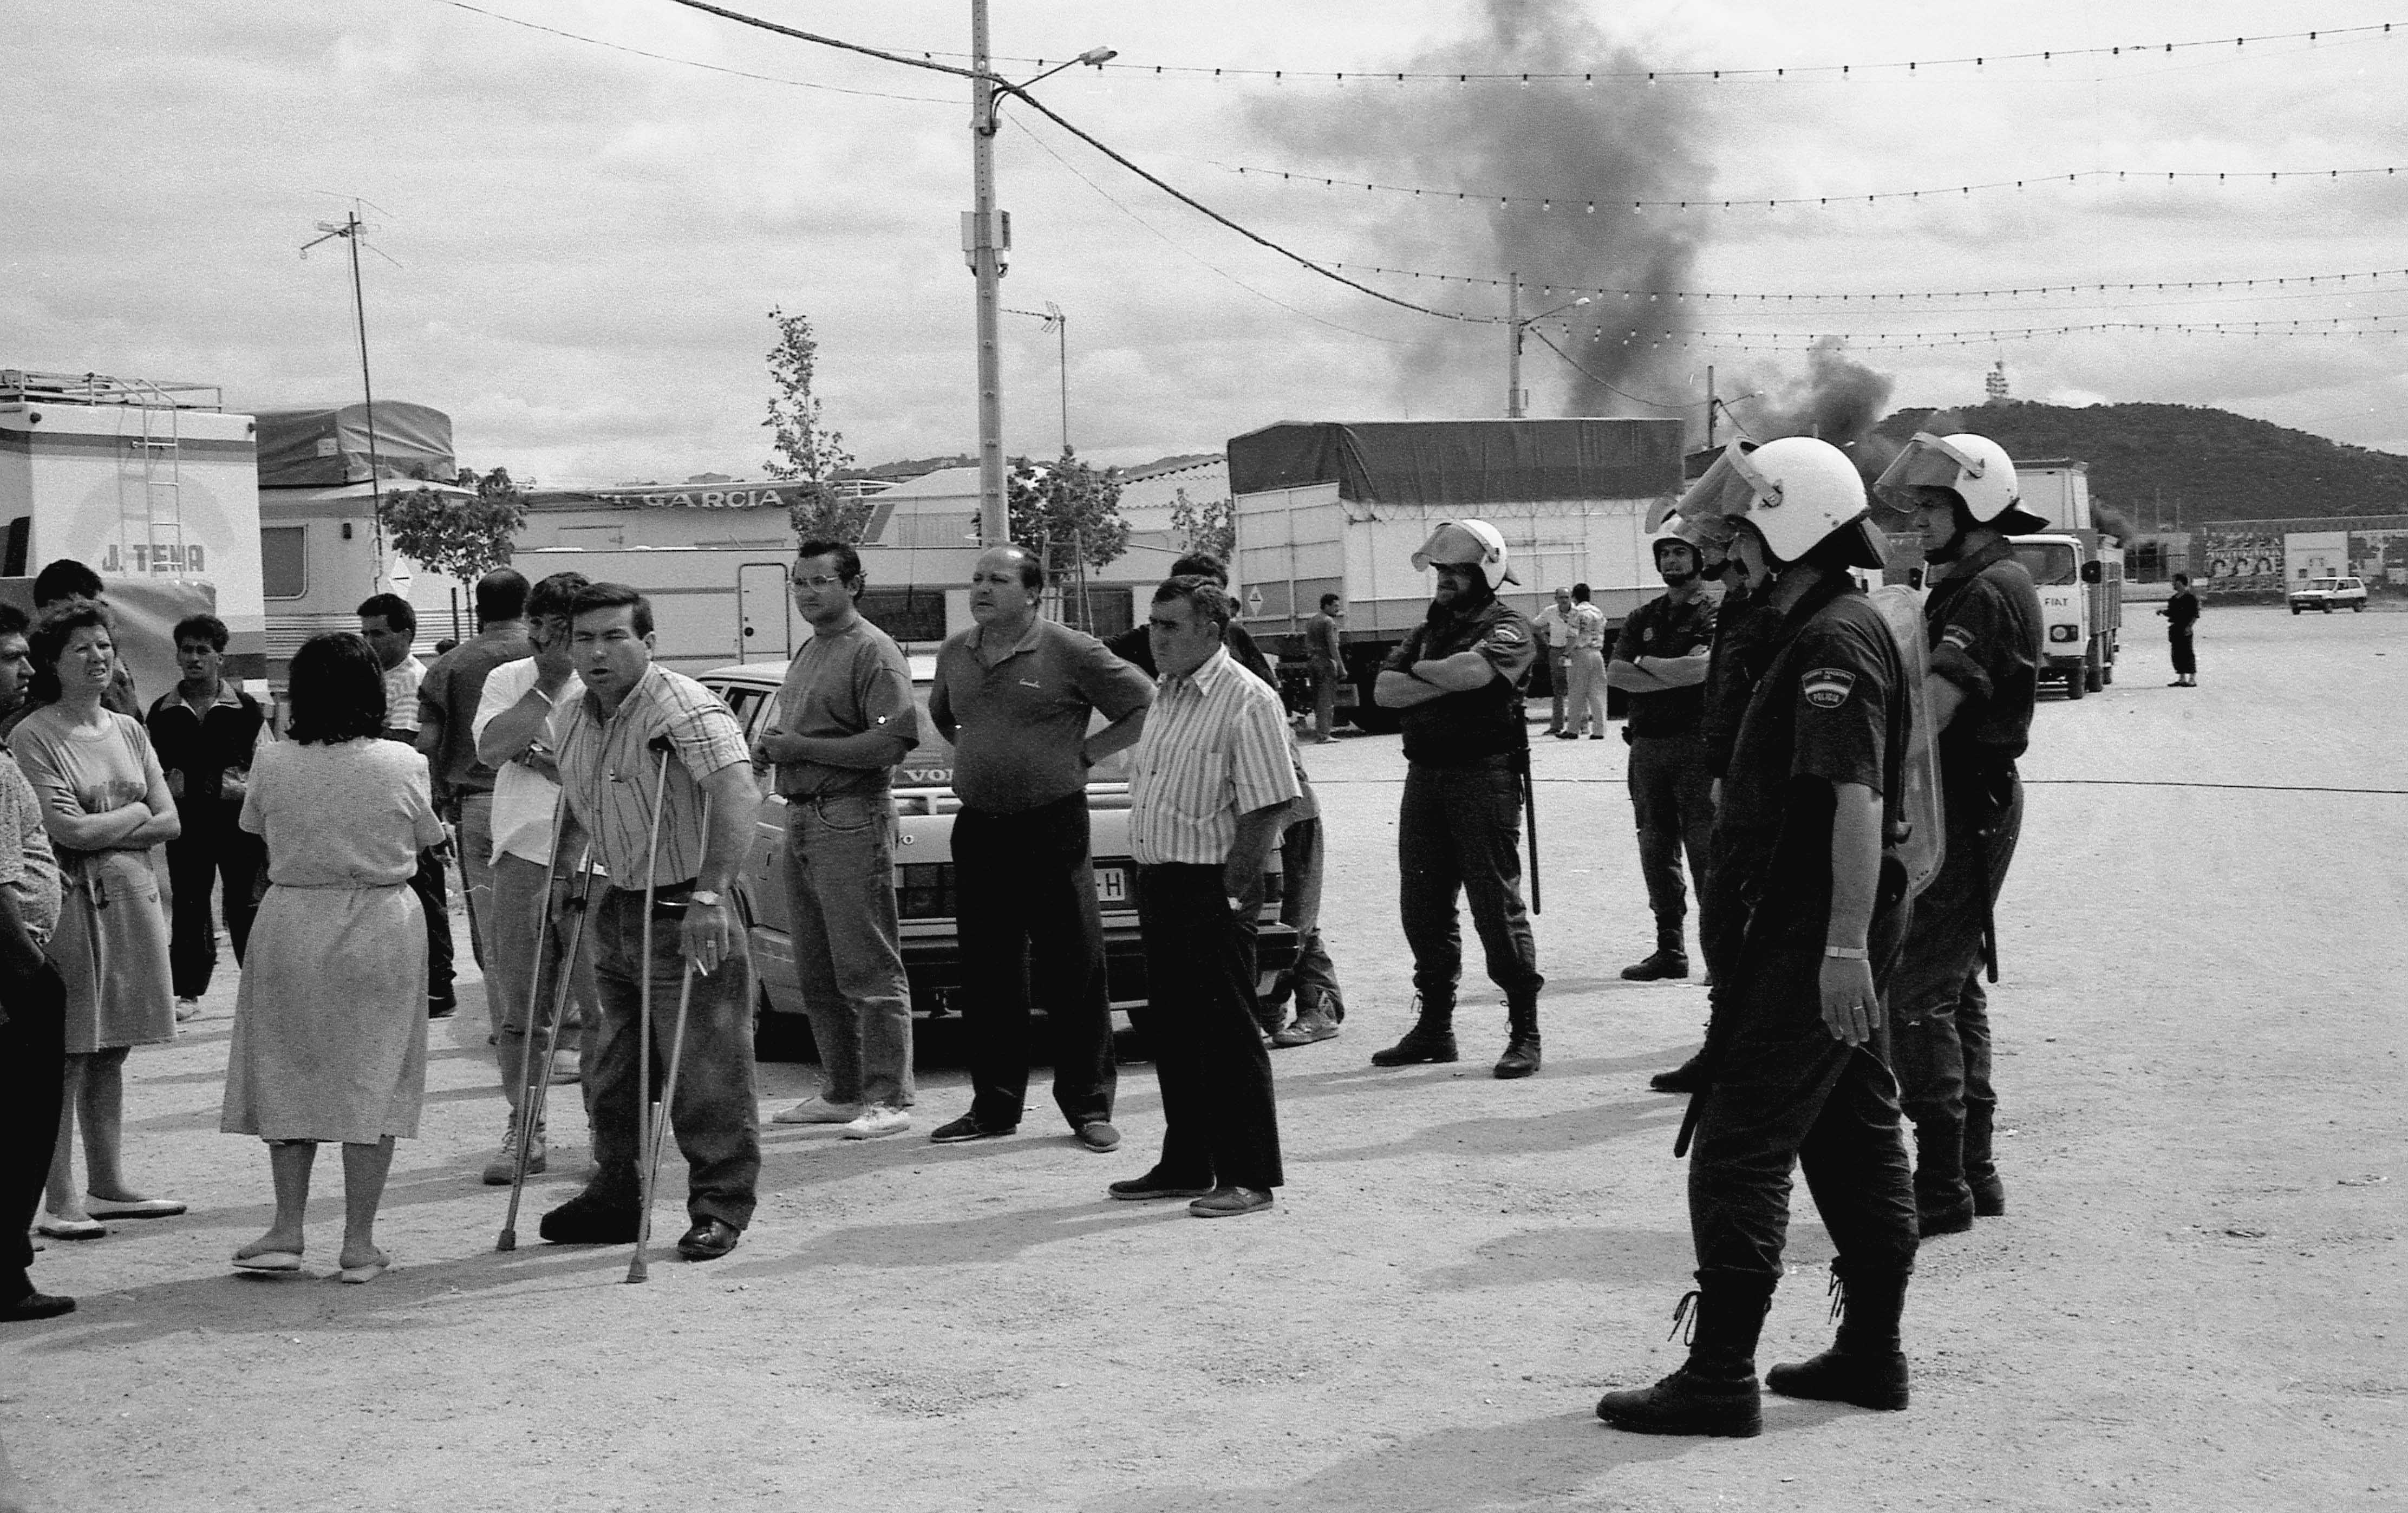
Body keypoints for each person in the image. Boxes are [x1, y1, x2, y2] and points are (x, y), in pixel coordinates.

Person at [1594, 436, 1919, 1438]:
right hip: (1805, 917)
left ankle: (1719, 1374)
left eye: (1741, 527)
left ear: (1793, 523)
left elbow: (1856, 799)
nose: (1726, 545)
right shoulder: (1801, 621)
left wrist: (1841, 947)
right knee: (1851, 1125)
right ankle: (1870, 1350)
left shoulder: (1831, 638)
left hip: (1810, 921)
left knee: (1737, 1140)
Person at [537, 583, 762, 1262]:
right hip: (619, 906)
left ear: (648, 642)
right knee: (614, 1070)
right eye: (584, 639)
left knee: (706, 1072)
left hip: (684, 907)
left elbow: (736, 789)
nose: (598, 652)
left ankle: (719, 1206)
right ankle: (615, 1193)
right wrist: (566, 867)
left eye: (615, 637)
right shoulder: (575, 713)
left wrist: (711, 895)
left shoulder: (683, 707)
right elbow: (579, 794)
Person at [219, 632, 448, 1282]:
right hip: (379, 921)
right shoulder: (403, 763)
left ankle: (287, 1228)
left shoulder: (274, 763)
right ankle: (358, 1240)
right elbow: (426, 838)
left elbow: (255, 835)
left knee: (289, 1068)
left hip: (291, 919)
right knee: (373, 1077)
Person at [1873, 432, 2046, 1236]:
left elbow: (1932, 710)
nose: (1918, 516)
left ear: (1976, 502)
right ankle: (1971, 1171)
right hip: (1955, 797)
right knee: (1950, 987)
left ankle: (1938, 1180)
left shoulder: (1990, 587)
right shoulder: (1966, 579)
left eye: (1933, 503)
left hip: (1963, 802)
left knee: (1913, 991)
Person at [924, 545, 1152, 1150]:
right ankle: (994, 1106)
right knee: (988, 970)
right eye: (976, 578)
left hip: (1052, 824)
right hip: (979, 826)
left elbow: (1142, 703)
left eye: (997, 579)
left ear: (1032, 593)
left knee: (1073, 966)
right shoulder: (955, 652)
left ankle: (1088, 1108)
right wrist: (990, 755)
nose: (981, 588)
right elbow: (946, 719)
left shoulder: (1070, 649)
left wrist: (1087, 753)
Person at [1108, 577, 1300, 1217]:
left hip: (1212, 884)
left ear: (1210, 631)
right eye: (1153, 624)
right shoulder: (1166, 693)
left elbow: (1271, 800)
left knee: (1227, 1034)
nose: (1155, 637)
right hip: (1161, 881)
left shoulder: (1247, 699)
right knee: (1177, 1030)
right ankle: (1188, 1159)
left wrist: (1232, 890)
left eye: (1170, 626)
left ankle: (1248, 1174)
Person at [1106, 551, 1345, 1047]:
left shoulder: (1235, 656)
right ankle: (1267, 1009)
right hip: (1214, 825)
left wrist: (1232, 888)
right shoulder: (1166, 662)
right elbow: (1103, 653)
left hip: (1280, 803)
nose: (1160, 633)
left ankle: (1313, 1005)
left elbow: (1268, 752)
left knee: (1291, 917)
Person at [12, 602, 185, 1242]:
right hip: (72, 903)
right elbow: (67, 830)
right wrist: (135, 810)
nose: (99, 656)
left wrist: (126, 818)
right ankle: (58, 1195)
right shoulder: (35, 736)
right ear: (54, 662)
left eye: (105, 644)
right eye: (81, 648)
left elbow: (172, 819)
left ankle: (108, 1181)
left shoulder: (130, 729)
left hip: (133, 899)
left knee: (114, 1046)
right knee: (69, 1051)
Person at [1367, 518, 1545, 1079]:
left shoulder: (1510, 624)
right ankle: (1435, 1029)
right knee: (1422, 908)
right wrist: (1437, 675)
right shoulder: (1431, 628)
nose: (1443, 579)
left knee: (1495, 907)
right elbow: (1382, 690)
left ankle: (1524, 1031)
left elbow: (1474, 671)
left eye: (1455, 569)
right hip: (1425, 778)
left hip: (1482, 779)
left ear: (1485, 571)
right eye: (1440, 569)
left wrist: (1424, 674)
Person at [756, 540, 921, 1140]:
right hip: (801, 813)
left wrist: (801, 749)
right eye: (798, 582)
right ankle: (843, 1090)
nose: (806, 592)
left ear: (853, 584)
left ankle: (889, 1096)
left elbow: (891, 744)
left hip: (849, 816)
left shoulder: (873, 651)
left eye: (820, 581)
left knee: (866, 964)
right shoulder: (811, 648)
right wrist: (777, 745)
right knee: (817, 967)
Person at [470, 571, 600, 1183]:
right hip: (523, 855)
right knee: (520, 1010)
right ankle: (526, 1125)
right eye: (538, 626)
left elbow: (598, 771)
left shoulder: (608, 677)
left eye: (561, 630)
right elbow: (493, 749)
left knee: (602, 1010)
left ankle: (610, 1130)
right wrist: (544, 691)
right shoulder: (509, 679)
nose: (546, 640)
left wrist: (546, 759)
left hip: (600, 864)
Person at [1649, 523, 1783, 1094]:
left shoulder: (1775, 611)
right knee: (1723, 924)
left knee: (1758, 926)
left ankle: (1760, 1052)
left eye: (1731, 546)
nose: (1720, 555)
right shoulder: (1735, 606)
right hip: (1727, 779)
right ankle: (1725, 1044)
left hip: (1767, 790)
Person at [415, 569, 533, 1040]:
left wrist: (439, 801)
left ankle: (510, 1023)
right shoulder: (550, 654)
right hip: (544, 797)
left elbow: (427, 743)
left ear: (477, 610)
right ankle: (565, 1023)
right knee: (557, 913)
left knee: (491, 920)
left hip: (479, 805)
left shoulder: (448, 666)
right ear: (527, 606)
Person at [0, 605, 74, 1321]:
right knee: (21, 1129)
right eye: (10, 657)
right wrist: (31, 974)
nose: (26, 670)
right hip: (11, 977)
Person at [1607, 537, 1721, 982]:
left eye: (1679, 553)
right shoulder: (1644, 616)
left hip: (1695, 746)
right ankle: (1669, 949)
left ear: (1698, 559)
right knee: (1654, 848)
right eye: (1664, 555)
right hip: (1647, 747)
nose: (1671, 561)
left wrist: (1647, 665)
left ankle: (1719, 954)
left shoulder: (1715, 611)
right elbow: (1615, 674)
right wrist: (1671, 669)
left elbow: (1704, 670)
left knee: (1704, 849)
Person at [146, 614, 269, 1022]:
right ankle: (187, 992)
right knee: (190, 903)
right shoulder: (162, 712)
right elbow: (151, 768)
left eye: (204, 650)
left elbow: (265, 764)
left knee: (247, 904)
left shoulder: (246, 708)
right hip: (187, 824)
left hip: (239, 825)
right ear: (178, 657)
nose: (194, 658)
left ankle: (260, 988)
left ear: (221, 658)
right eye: (187, 650)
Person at [358, 593, 456, 1019]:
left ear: (406, 634)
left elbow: (405, 744)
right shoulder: (370, 677)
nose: (370, 642)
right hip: (376, 803)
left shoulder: (416, 678)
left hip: (413, 804)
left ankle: (440, 984)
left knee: (426, 892)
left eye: (378, 633)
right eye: (364, 634)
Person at [0, 560, 139, 738]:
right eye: (80, 607)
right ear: (51, 607)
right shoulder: (23, 673)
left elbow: (135, 721)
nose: (97, 657)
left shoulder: (116, 669)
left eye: (103, 646)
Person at [1562, 582, 1609, 739]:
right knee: (1598, 692)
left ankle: (1573, 729)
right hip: (1597, 653)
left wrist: (1566, 653)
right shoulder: (1598, 612)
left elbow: (1573, 635)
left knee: (1577, 692)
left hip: (1581, 653)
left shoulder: (1576, 612)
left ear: (1574, 597)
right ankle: (1599, 731)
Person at [1531, 586, 1576, 737]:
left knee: (1576, 686)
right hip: (1557, 652)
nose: (1564, 600)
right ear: (1556, 599)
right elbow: (1535, 626)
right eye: (1561, 597)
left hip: (1572, 651)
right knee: (1558, 688)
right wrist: (1545, 641)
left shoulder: (1577, 612)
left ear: (1571, 598)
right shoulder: (1550, 612)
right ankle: (1556, 725)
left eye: (1567, 597)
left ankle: (1579, 724)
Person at [1304, 592, 1346, 744]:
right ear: (1326, 606)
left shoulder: (1313, 620)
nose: (1338, 609)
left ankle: (1321, 730)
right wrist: (1341, 668)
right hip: (1325, 662)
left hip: (1312, 662)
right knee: (1326, 699)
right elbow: (1333, 647)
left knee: (1317, 698)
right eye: (1335, 606)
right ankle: (1324, 734)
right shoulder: (1329, 622)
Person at [2161, 573, 2201, 687]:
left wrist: (2189, 627)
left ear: (2179, 582)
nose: (2172, 584)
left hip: (2185, 628)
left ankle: (2192, 679)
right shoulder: (2174, 599)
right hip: (2175, 628)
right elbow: (2171, 613)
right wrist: (2162, 612)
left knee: (2188, 653)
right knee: (2176, 654)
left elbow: (2195, 615)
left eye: (2174, 581)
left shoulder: (2190, 598)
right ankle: (2182, 677)